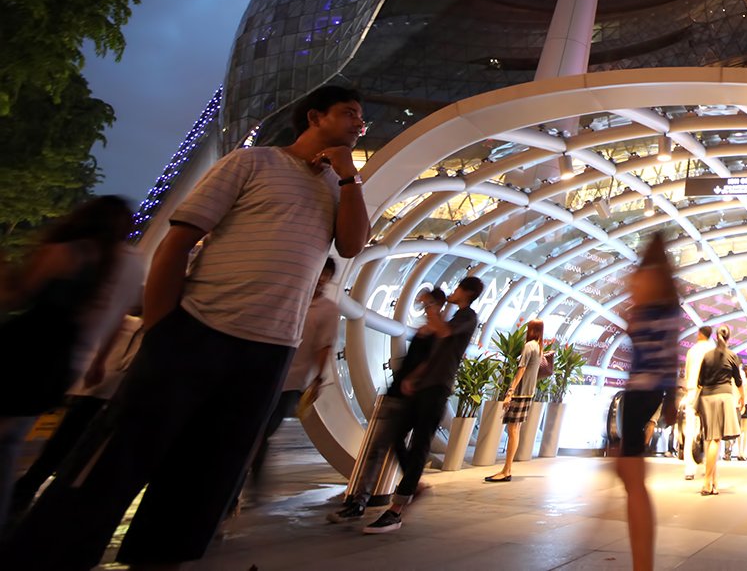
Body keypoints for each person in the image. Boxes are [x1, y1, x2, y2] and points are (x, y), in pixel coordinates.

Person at [3, 85, 370, 571]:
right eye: (349, 114)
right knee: (118, 457)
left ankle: (159, 559)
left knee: (206, 474)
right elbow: (177, 242)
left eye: (361, 118)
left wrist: (348, 178)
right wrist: (161, 329)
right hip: (199, 328)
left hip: (270, 349)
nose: (358, 124)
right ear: (315, 116)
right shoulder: (252, 163)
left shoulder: (337, 188)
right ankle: (45, 556)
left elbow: (351, 245)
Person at [0, 196, 134, 521]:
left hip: (25, 346)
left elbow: (16, 295)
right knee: (11, 438)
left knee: (7, 437)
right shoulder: (118, 262)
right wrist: (100, 360)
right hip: (59, 359)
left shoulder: (66, 250)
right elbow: (115, 319)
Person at [363, 275, 484, 534]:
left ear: (468, 292)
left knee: (419, 446)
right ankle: (414, 486)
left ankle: (396, 510)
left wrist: (432, 306)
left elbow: (443, 333)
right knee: (396, 436)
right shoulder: (452, 318)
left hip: (438, 388)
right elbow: (436, 354)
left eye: (459, 288)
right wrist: (415, 378)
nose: (454, 291)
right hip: (423, 386)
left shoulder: (467, 317)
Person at [9, 306, 143, 522]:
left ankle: (30, 490)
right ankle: (28, 490)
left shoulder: (134, 325)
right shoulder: (130, 323)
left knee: (67, 443)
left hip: (106, 389)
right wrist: (98, 364)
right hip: (99, 388)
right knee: (66, 441)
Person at [327, 286, 446, 523]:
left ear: (437, 305)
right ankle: (411, 483)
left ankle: (359, 502)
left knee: (378, 448)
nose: (424, 306)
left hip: (409, 398)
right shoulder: (424, 330)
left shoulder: (440, 333)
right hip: (396, 393)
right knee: (386, 444)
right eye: (424, 303)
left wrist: (413, 379)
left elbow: (431, 363)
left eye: (428, 303)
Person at [617, 232, 684, 571]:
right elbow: (671, 355)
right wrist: (670, 398)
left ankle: (642, 564)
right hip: (652, 389)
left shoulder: (649, 283)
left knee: (631, 475)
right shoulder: (670, 298)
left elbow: (640, 332)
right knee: (629, 473)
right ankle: (642, 562)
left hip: (641, 388)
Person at [250, 258, 340, 480]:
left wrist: (319, 377)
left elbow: (324, 344)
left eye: (326, 274)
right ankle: (243, 475)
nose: (321, 278)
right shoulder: (291, 295)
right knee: (251, 427)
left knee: (263, 429)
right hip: (265, 371)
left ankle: (244, 478)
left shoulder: (328, 309)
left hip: (293, 381)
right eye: (320, 272)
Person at [486, 318, 544, 482]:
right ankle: (507, 469)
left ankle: (506, 471)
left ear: (531, 330)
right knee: (514, 431)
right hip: (529, 393)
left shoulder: (529, 346)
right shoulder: (539, 348)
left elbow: (521, 370)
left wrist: (509, 392)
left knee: (512, 431)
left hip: (520, 393)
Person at [695, 325, 743, 495]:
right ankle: (707, 483)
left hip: (706, 397)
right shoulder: (732, 356)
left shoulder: (707, 356)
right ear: (728, 337)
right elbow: (738, 381)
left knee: (710, 439)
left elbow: (699, 380)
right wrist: (742, 398)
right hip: (723, 397)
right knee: (715, 440)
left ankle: (714, 482)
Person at [680, 325, 713, 482]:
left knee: (690, 429)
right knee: (709, 430)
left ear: (700, 334)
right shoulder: (713, 349)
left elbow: (687, 374)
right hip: (709, 391)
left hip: (693, 391)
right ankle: (708, 462)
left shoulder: (692, 351)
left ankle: (689, 468)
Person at [736, 360, 747, 461]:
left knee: (739, 431)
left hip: (740, 405)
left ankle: (739, 452)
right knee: (746, 432)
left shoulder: (741, 381)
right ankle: (743, 452)